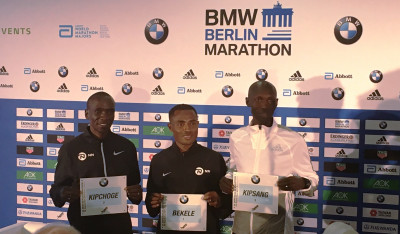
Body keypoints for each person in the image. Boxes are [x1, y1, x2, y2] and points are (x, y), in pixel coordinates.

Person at [219, 80, 319, 234]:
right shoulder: (237, 137)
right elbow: (235, 168)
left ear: (276, 103)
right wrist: (227, 180)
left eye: (270, 100)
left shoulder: (292, 139)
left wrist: (303, 182)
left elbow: (312, 178)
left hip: (277, 228)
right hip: (241, 227)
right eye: (259, 99)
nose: (265, 104)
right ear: (248, 101)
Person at [50, 92, 142, 234]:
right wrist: (64, 193)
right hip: (83, 227)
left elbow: (134, 190)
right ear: (87, 114)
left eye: (109, 111)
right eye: (98, 111)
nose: (104, 116)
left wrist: (136, 194)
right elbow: (56, 192)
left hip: (119, 227)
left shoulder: (126, 146)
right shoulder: (71, 148)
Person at [145, 104, 231, 233]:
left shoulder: (214, 158)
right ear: (170, 127)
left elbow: (227, 204)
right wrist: (154, 202)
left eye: (192, 123)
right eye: (180, 124)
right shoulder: (159, 160)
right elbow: (151, 207)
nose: (187, 129)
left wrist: (219, 201)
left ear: (198, 124)